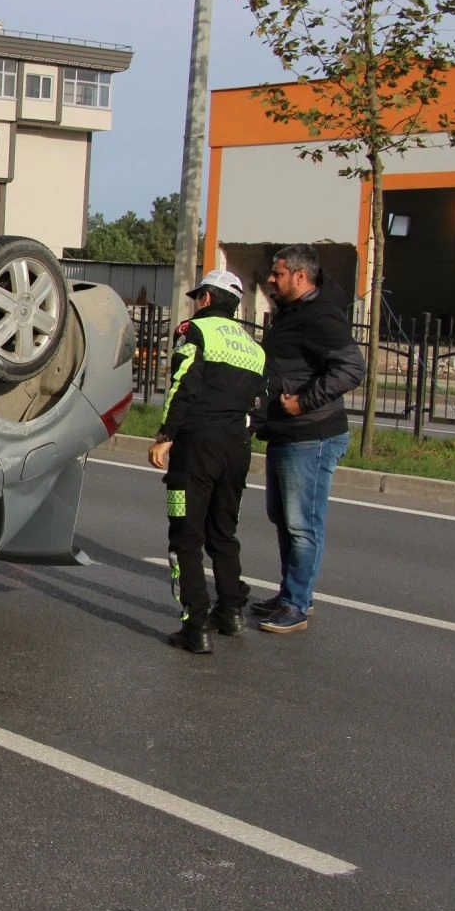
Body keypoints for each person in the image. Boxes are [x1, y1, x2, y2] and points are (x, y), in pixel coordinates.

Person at [148, 268, 267, 654]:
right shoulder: (254, 347)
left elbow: (183, 382)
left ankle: (195, 625)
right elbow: (262, 404)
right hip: (237, 450)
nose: (196, 301)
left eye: (199, 295)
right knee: (223, 532)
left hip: (196, 448)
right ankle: (231, 612)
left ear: (208, 299)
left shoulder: (194, 331)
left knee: (185, 536)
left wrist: (165, 435)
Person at [251, 243, 366, 634]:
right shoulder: (291, 313)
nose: (270, 279)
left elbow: (352, 367)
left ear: (300, 276)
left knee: (302, 524)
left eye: (278, 273)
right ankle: (292, 595)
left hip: (312, 435)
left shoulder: (321, 316)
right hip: (286, 433)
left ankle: (297, 604)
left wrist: (303, 402)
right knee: (284, 520)